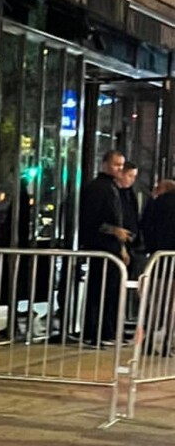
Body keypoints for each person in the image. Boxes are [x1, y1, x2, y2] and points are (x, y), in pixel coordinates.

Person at [77, 148, 129, 346]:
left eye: (121, 166)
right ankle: (96, 331)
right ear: (105, 164)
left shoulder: (111, 187)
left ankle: (106, 330)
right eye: (116, 165)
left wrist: (121, 245)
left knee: (110, 291)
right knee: (100, 290)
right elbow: (91, 219)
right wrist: (114, 231)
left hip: (110, 248)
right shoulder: (98, 188)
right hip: (101, 247)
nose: (119, 169)